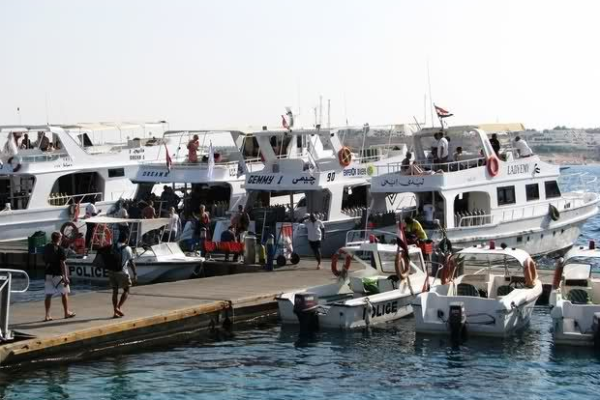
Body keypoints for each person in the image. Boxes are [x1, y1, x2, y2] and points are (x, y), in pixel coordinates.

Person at [43, 232, 76, 321]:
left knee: (48, 294)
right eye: (61, 237)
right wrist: (65, 276)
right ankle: (66, 312)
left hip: (48, 274)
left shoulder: (47, 247)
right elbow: (63, 263)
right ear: (59, 239)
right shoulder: (60, 249)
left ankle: (47, 315)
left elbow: (44, 259)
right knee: (64, 293)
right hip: (58, 275)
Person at [110, 234, 137, 318]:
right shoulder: (127, 248)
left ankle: (115, 312)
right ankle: (118, 307)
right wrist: (135, 273)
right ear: (126, 239)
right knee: (127, 290)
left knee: (115, 291)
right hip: (122, 272)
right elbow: (131, 262)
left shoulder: (112, 246)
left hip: (112, 271)